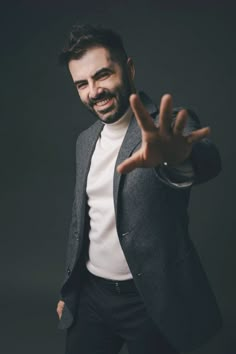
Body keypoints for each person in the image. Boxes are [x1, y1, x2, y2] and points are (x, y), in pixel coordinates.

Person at [56, 24, 222, 354]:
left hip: (151, 301)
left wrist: (178, 158)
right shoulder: (84, 141)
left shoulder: (167, 126)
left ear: (128, 68)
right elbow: (83, 224)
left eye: (102, 75)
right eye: (82, 84)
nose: (94, 91)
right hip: (91, 297)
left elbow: (206, 160)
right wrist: (70, 291)